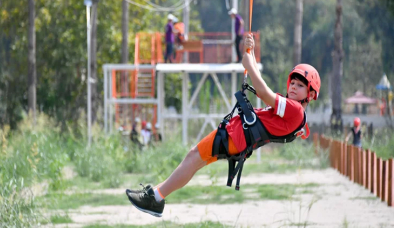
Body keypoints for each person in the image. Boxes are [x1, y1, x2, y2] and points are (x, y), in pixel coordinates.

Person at [126, 33, 321, 217]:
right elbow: (263, 91)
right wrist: (250, 53)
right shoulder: (292, 110)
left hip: (236, 137)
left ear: (311, 94)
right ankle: (156, 195)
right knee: (194, 160)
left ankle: (156, 198)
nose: (294, 87)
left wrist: (249, 63)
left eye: (301, 85)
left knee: (194, 156)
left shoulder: (295, 111)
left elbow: (263, 91)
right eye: (293, 83)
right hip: (238, 138)